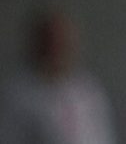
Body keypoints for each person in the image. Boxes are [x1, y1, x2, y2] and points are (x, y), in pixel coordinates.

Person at [0, 8, 116, 144]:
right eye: (53, 41)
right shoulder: (18, 96)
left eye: (65, 41)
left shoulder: (88, 89)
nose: (60, 48)